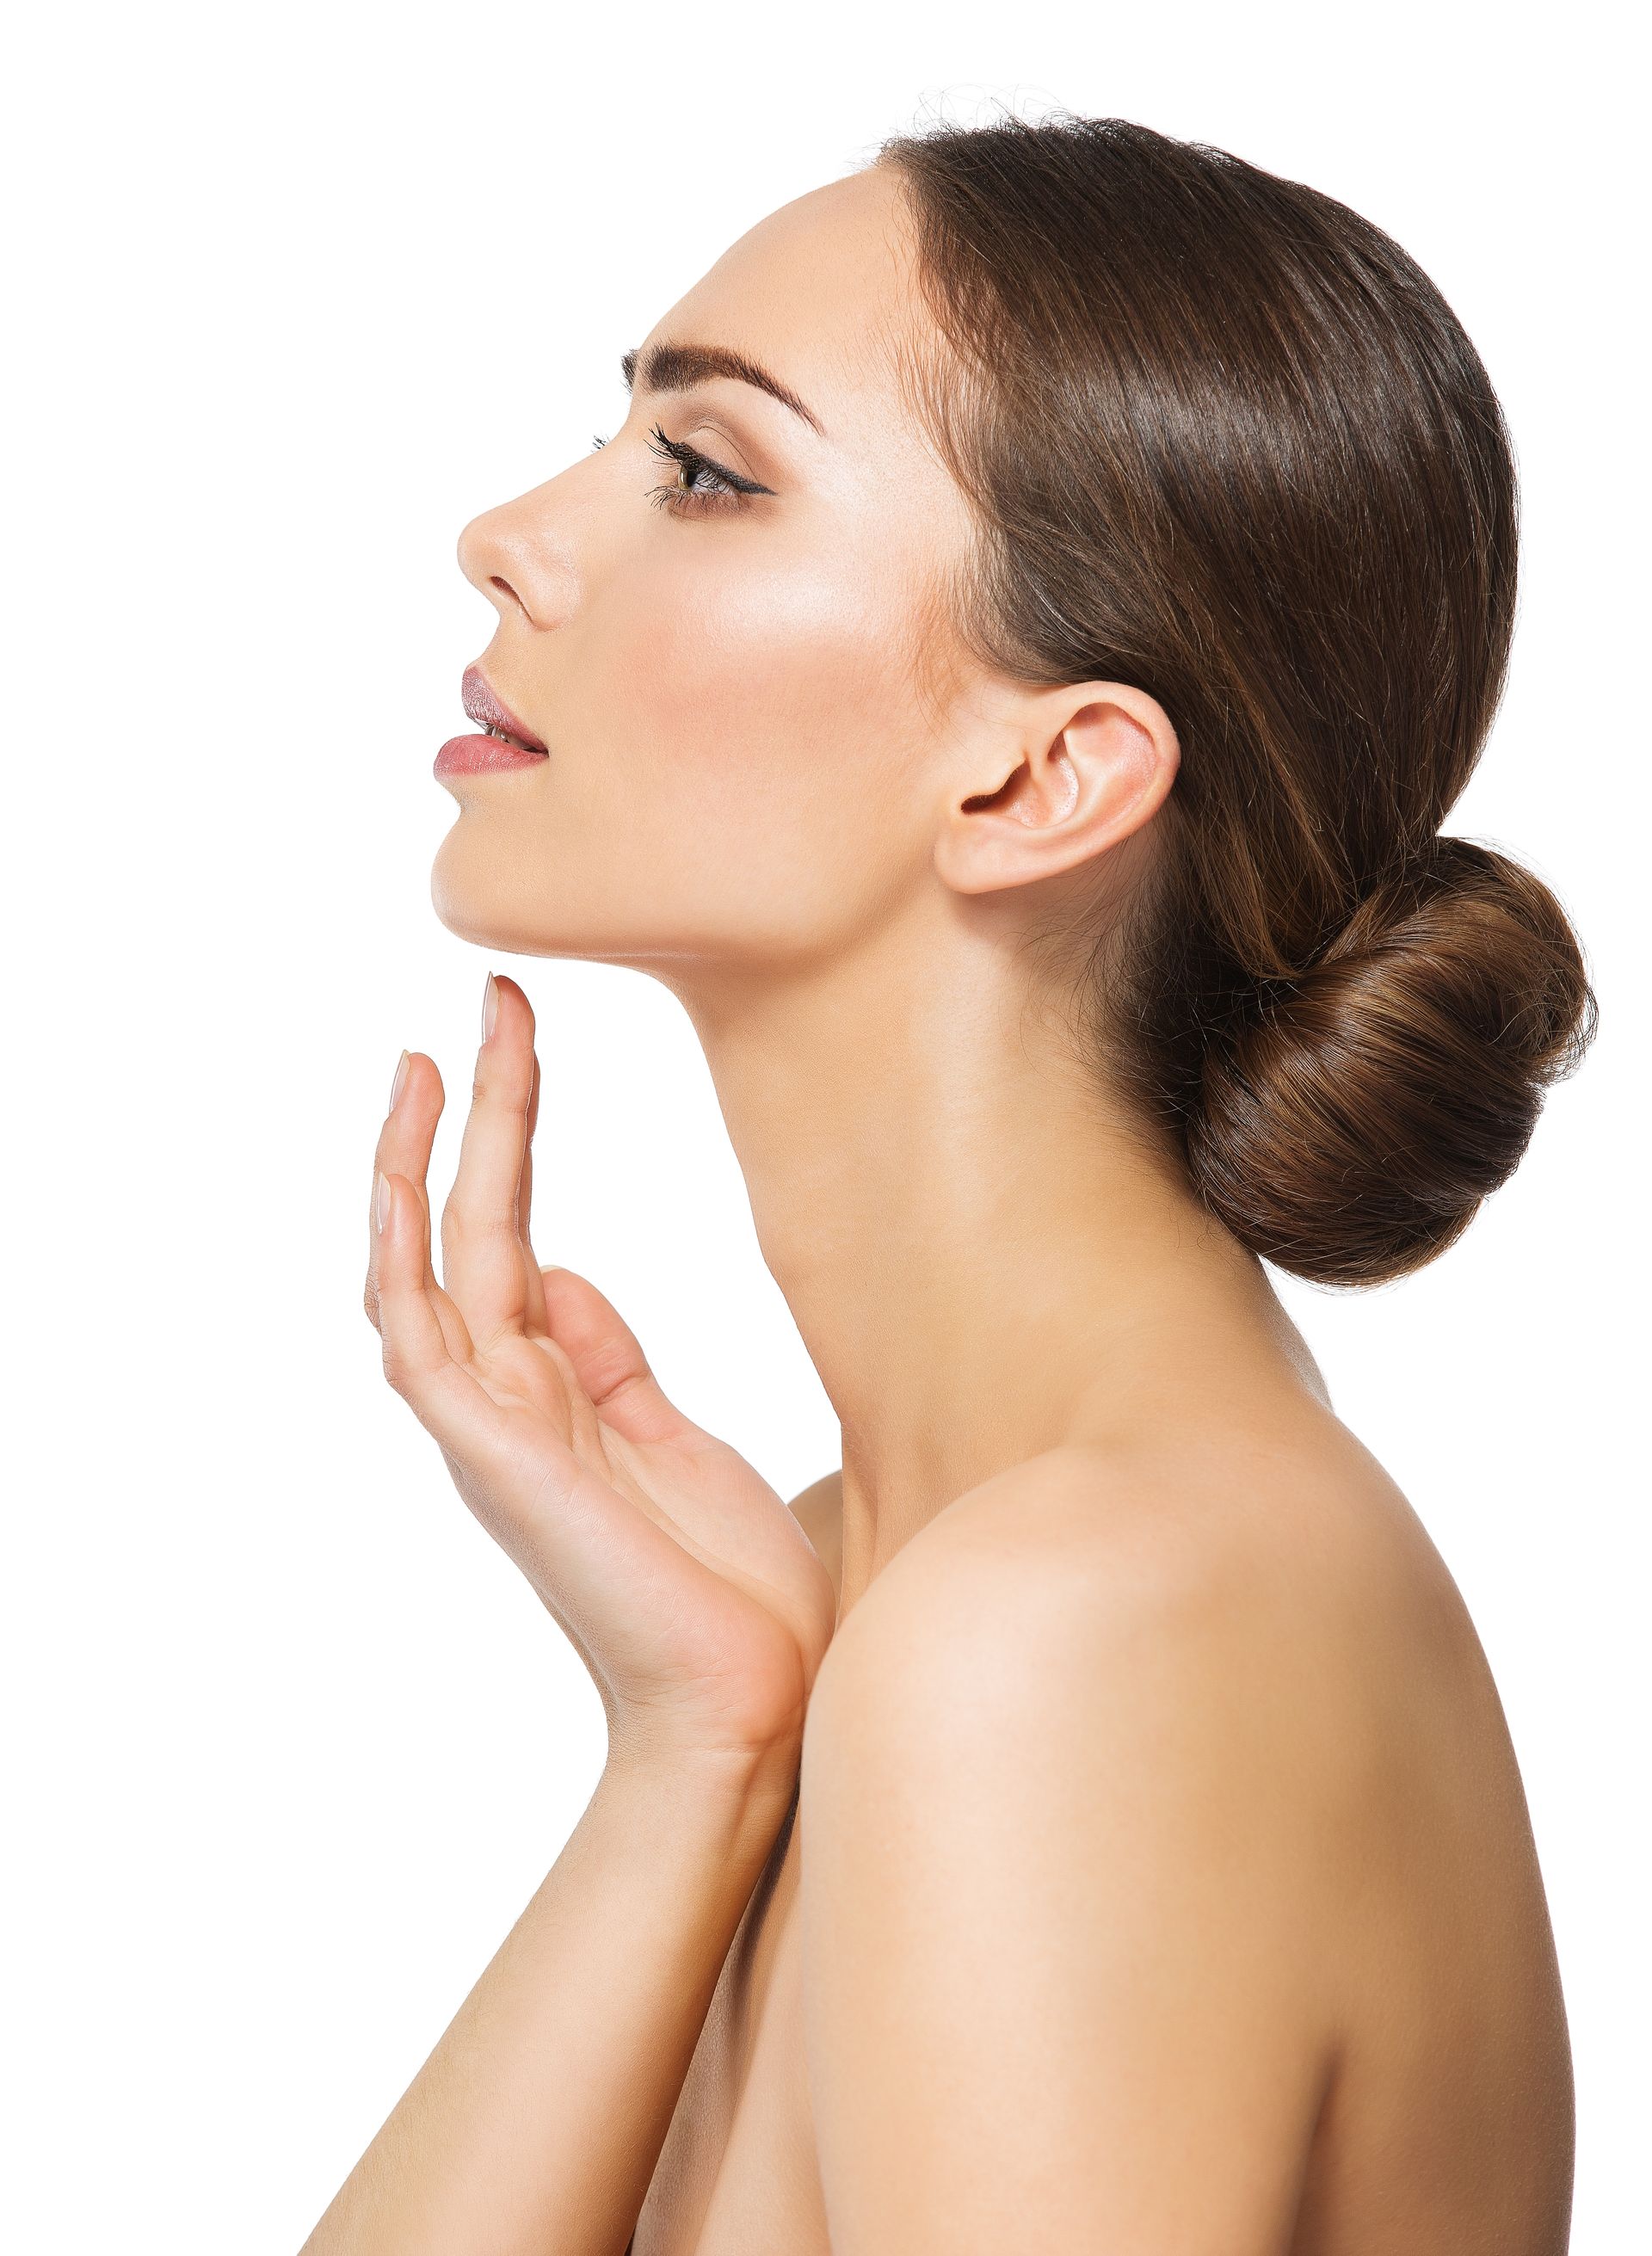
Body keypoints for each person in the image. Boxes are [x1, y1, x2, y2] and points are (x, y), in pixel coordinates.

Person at [308, 111, 1593, 2255]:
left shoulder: (1078, 1636)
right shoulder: (895, 1595)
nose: (504, 536)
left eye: (706, 474)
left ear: (1041, 771)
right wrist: (691, 1757)